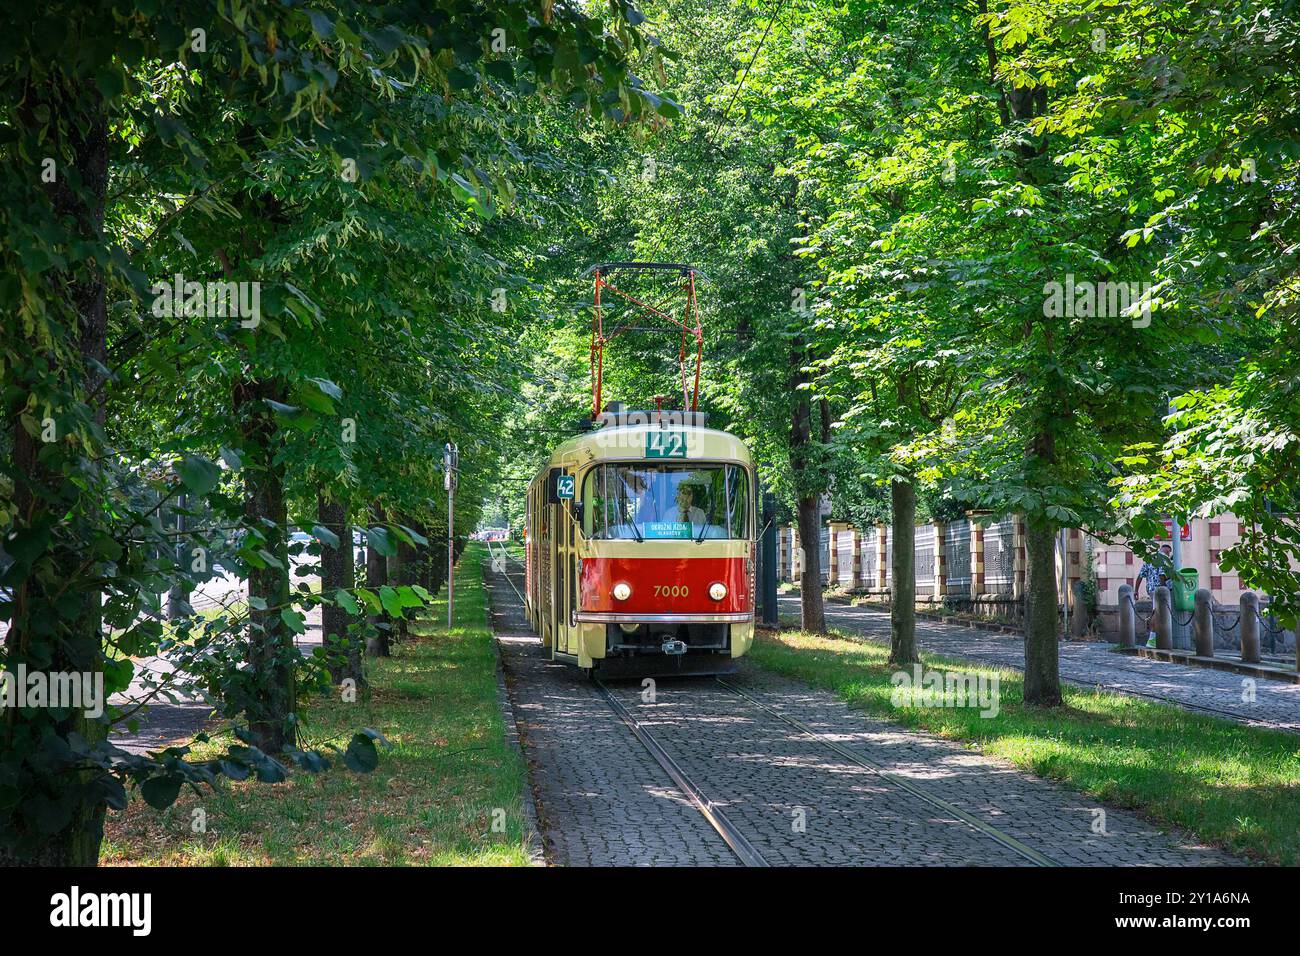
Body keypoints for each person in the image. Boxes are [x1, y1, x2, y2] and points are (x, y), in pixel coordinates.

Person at [1134, 543, 1173, 646]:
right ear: (1168, 552)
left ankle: (1155, 638)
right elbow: (1161, 576)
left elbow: (1140, 575)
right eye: (1169, 553)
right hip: (1159, 590)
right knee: (1157, 613)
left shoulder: (1150, 558)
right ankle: (1152, 639)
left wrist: (1136, 590)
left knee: (1155, 612)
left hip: (1150, 589)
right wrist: (1165, 588)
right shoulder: (1164, 559)